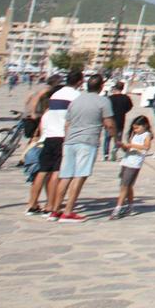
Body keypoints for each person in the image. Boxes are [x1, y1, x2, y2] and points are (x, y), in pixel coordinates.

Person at [52, 73, 116, 223]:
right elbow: (109, 124)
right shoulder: (103, 101)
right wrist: (116, 139)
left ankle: (55, 210)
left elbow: (67, 123)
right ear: (101, 87)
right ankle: (68, 211)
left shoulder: (76, 101)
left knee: (66, 176)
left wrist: (67, 139)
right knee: (79, 176)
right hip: (87, 141)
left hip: (70, 141)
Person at [28, 72, 78, 218]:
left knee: (42, 172)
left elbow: (41, 129)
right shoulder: (67, 108)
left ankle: (32, 204)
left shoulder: (48, 112)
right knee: (56, 173)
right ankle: (50, 206)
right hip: (60, 139)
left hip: (46, 139)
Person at [112, 112, 154, 218]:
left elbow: (146, 147)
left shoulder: (146, 135)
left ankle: (118, 207)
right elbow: (128, 148)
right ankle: (130, 206)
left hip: (135, 163)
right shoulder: (134, 134)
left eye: (137, 128)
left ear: (145, 126)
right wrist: (123, 146)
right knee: (126, 185)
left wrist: (132, 145)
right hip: (127, 160)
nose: (135, 130)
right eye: (134, 128)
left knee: (125, 186)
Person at [103, 81, 134, 161]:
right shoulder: (126, 98)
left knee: (107, 138)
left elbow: (105, 109)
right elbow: (130, 106)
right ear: (122, 88)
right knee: (118, 139)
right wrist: (123, 111)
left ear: (115, 88)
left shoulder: (109, 98)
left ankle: (106, 154)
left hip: (110, 120)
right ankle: (114, 150)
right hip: (120, 120)